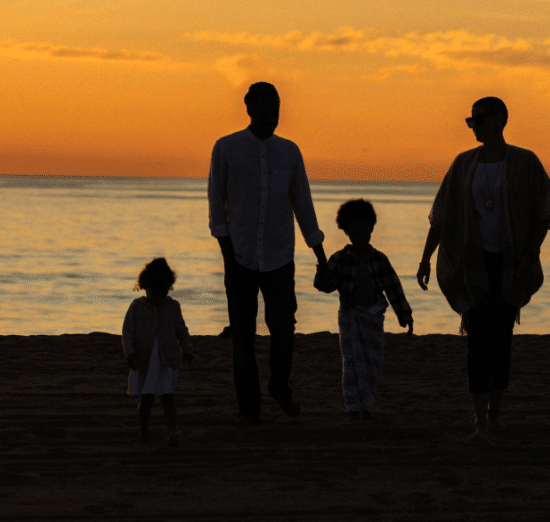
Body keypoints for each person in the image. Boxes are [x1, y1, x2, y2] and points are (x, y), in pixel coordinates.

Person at [416, 97, 550, 442]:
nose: (474, 126)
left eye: (480, 119)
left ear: (500, 120)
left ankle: (495, 417)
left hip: (511, 263)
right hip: (471, 264)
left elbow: (546, 210)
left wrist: (531, 251)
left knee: (501, 340)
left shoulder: (525, 162)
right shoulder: (463, 164)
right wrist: (426, 258)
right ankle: (479, 421)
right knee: (477, 340)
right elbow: (442, 215)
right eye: (471, 121)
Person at [208, 81, 327, 425]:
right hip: (240, 257)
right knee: (243, 337)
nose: (270, 117)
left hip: (279, 258)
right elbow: (217, 207)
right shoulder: (227, 148)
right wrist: (228, 253)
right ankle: (249, 408)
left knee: (284, 328)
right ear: (248, 110)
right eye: (263, 110)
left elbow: (303, 205)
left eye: (275, 110)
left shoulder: (289, 152)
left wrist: (321, 257)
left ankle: (279, 385)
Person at [314, 198, 413, 420]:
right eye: (355, 232)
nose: (360, 236)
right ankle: (354, 408)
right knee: (351, 363)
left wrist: (404, 313)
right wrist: (322, 270)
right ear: (346, 232)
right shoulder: (339, 259)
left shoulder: (380, 259)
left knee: (372, 363)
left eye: (364, 231)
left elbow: (393, 287)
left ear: (371, 229)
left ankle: (365, 404)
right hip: (349, 318)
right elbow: (325, 287)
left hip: (373, 319)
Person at [122, 257, 193, 446]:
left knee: (168, 398)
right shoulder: (136, 308)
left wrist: (187, 349)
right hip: (145, 362)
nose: (157, 297)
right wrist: (130, 353)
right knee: (146, 399)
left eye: (161, 293)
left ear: (168, 288)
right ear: (145, 287)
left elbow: (181, 330)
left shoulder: (173, 307)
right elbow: (127, 333)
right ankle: (143, 430)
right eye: (153, 292)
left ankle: (172, 432)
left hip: (167, 360)